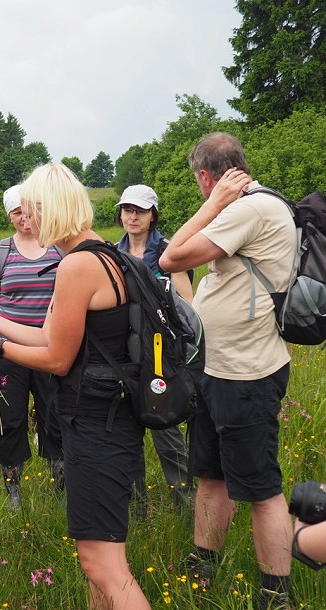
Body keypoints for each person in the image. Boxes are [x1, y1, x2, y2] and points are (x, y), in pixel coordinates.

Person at [0, 163, 150, 609]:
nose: (26, 219)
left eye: (32, 209)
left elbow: (56, 359)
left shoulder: (77, 265)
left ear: (50, 210)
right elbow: (49, 335)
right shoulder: (101, 252)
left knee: (104, 567)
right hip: (107, 420)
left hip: (99, 427)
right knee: (96, 561)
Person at [159, 132, 297, 608]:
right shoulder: (246, 209)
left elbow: (171, 256)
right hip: (218, 369)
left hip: (247, 372)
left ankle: (274, 593)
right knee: (212, 477)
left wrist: (212, 204)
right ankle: (203, 569)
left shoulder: (249, 209)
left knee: (260, 487)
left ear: (205, 177)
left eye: (202, 185)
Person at [0, 185, 64, 510]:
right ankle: (13, 490)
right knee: (10, 420)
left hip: (49, 350)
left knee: (54, 415)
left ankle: (62, 485)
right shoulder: (1, 251)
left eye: (29, 211)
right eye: (17, 213)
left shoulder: (58, 248)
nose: (24, 218)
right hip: (7, 351)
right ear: (9, 215)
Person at [114, 184, 194, 510]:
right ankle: (137, 511)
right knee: (127, 437)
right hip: (123, 355)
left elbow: (188, 306)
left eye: (140, 210)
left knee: (167, 432)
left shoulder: (168, 252)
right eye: (127, 210)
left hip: (162, 356)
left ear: (152, 215)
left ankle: (188, 505)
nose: (133, 216)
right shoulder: (111, 253)